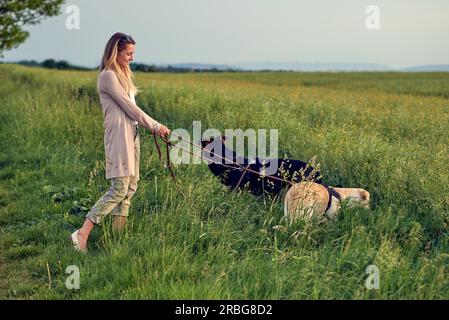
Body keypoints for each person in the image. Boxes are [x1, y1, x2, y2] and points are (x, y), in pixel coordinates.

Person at [70, 32, 171, 253]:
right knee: (118, 188)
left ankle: (117, 240)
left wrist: (151, 127)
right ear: (115, 51)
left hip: (132, 135)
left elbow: (131, 110)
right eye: (128, 53)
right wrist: (155, 125)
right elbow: (130, 108)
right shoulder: (108, 76)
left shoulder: (123, 74)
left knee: (130, 187)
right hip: (119, 137)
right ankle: (82, 234)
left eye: (133, 53)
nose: (131, 58)